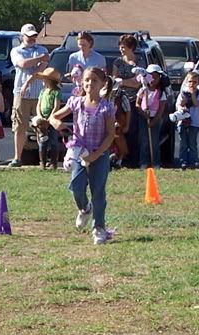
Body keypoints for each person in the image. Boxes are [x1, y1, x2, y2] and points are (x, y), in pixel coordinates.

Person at [50, 67, 116, 244]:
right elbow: (54, 117)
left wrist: (96, 155)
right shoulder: (75, 102)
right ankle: (84, 208)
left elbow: (110, 134)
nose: (89, 83)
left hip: (98, 155)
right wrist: (56, 122)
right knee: (77, 186)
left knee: (98, 192)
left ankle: (99, 228)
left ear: (103, 83)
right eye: (87, 80)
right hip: (79, 152)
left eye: (94, 80)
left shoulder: (107, 108)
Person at [9, 23, 49, 167]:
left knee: (41, 126)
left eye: (34, 36)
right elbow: (22, 64)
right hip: (21, 92)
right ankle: (17, 157)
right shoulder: (16, 51)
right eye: (29, 36)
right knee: (20, 126)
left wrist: (38, 62)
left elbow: (41, 69)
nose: (32, 38)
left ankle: (43, 159)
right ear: (22, 36)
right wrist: (39, 59)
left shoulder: (42, 49)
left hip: (39, 92)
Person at [112, 34, 146, 167]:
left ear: (131, 47)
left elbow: (137, 83)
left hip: (134, 100)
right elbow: (114, 81)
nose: (121, 49)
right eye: (120, 47)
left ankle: (132, 160)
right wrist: (122, 82)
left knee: (132, 131)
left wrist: (122, 81)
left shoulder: (139, 62)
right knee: (118, 130)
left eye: (124, 47)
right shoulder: (118, 62)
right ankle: (120, 158)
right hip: (119, 101)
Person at [135, 64, 167, 169]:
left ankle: (156, 162)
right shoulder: (143, 90)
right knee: (144, 141)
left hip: (154, 119)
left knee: (154, 141)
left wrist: (154, 121)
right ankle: (143, 162)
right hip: (143, 117)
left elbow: (161, 110)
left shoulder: (161, 93)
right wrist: (143, 113)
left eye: (156, 77)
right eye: (151, 77)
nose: (153, 80)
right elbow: (137, 104)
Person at [29, 67, 62, 169]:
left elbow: (56, 106)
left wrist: (50, 118)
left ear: (50, 81)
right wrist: (40, 116)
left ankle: (53, 162)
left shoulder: (56, 92)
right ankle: (42, 162)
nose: (43, 80)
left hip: (51, 120)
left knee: (53, 142)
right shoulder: (43, 91)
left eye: (45, 79)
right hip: (42, 120)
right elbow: (38, 105)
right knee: (42, 141)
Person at [175, 71, 199, 169]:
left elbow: (196, 104)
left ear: (198, 83)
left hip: (194, 123)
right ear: (187, 82)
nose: (192, 84)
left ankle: (193, 162)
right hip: (182, 122)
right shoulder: (182, 93)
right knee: (183, 143)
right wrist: (182, 104)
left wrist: (193, 94)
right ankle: (183, 161)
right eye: (190, 81)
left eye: (195, 82)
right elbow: (178, 105)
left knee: (192, 143)